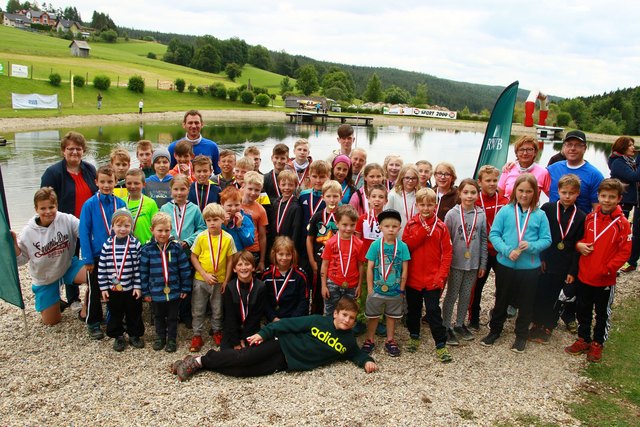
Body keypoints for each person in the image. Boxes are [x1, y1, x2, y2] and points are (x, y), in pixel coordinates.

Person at [170, 296, 376, 381]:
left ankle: (198, 364)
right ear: (335, 313)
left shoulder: (348, 340)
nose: (347, 320)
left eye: (351, 318)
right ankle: (199, 361)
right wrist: (263, 333)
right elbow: (287, 324)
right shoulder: (318, 321)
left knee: (244, 372)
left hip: (288, 362)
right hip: (281, 345)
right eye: (344, 315)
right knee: (243, 358)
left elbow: (356, 353)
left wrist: (367, 361)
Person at [481, 173, 551, 353]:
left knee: (526, 303)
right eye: (521, 190)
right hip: (506, 265)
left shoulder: (540, 215)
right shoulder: (505, 211)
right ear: (515, 191)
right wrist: (506, 250)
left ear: (535, 193)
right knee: (501, 299)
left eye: (529, 191)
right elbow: (494, 234)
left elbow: (546, 239)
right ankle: (495, 330)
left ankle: (521, 335)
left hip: (529, 268)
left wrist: (533, 246)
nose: (524, 195)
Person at [565, 179, 631, 363]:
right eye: (603, 196)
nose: (607, 200)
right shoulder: (590, 218)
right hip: (585, 275)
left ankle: (597, 343)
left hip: (604, 279)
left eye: (611, 197)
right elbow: (582, 240)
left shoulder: (623, 224)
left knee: (602, 313)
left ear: (618, 199)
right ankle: (583, 338)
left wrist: (608, 269)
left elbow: (625, 251)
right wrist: (578, 246)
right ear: (598, 196)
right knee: (582, 309)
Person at [12, 187, 87, 325]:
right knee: (52, 322)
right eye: (43, 208)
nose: (48, 212)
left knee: (95, 275)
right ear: (36, 209)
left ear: (56, 205)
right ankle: (55, 301)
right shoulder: (28, 232)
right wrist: (14, 245)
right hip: (46, 278)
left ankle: (88, 309)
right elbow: (21, 261)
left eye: (51, 207)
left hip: (68, 266)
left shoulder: (67, 220)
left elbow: (86, 234)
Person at [40, 131, 97, 312]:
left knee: (88, 256)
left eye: (78, 149)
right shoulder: (53, 173)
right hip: (64, 226)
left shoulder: (89, 169)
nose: (74, 152)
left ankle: (93, 292)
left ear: (83, 151)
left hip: (88, 224)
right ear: (63, 150)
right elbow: (45, 200)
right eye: (70, 149)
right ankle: (73, 298)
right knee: (69, 257)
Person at [530, 174, 586, 344]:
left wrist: (572, 271)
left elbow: (578, 246)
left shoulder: (581, 216)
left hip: (565, 263)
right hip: (547, 258)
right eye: (564, 192)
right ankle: (536, 322)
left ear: (577, 194)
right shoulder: (548, 208)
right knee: (540, 291)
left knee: (556, 295)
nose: (567, 196)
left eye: (571, 193)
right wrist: (541, 257)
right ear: (558, 191)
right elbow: (539, 234)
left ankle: (548, 325)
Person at [402, 188, 453, 362]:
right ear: (416, 205)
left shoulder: (441, 227)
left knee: (433, 311)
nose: (426, 208)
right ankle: (414, 335)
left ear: (435, 205)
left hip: (432, 279)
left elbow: (447, 254)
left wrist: (441, 276)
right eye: (422, 204)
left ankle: (440, 344)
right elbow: (406, 247)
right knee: (413, 310)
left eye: (429, 204)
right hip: (413, 278)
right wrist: (422, 232)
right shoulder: (411, 224)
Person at [79, 165, 127, 340]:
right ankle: (93, 322)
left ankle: (114, 318)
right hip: (98, 254)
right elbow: (83, 231)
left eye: (110, 181)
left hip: (117, 253)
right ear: (96, 182)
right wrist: (88, 258)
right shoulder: (89, 204)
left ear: (115, 182)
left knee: (116, 287)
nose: (106, 185)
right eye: (103, 182)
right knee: (95, 288)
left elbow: (126, 229)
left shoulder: (121, 204)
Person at [442, 179, 487, 346]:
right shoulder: (452, 214)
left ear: (478, 194)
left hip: (473, 263)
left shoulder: (480, 214)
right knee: (452, 294)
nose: (469, 196)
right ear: (459, 193)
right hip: (456, 262)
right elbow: (445, 241)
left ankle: (459, 324)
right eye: (466, 192)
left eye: (473, 192)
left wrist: (483, 263)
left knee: (466, 294)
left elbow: (483, 239)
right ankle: (446, 325)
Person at [140, 212, 192, 353]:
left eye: (167, 230)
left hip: (174, 291)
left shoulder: (176, 248)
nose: (163, 234)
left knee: (173, 317)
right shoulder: (147, 250)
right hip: (156, 293)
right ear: (152, 230)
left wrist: (185, 288)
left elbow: (184, 269)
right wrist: (145, 292)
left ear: (171, 230)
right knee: (158, 316)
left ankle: (172, 339)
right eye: (160, 230)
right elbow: (143, 273)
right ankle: (160, 337)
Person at [361, 209, 410, 357]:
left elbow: (405, 269)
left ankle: (390, 340)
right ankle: (370, 339)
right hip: (376, 289)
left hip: (395, 291)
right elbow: (369, 267)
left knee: (391, 316)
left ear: (399, 228)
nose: (391, 229)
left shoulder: (402, 247)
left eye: (394, 226)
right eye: (387, 226)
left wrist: (401, 289)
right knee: (373, 316)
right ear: (380, 227)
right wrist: (370, 289)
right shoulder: (375, 245)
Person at [190, 203, 237, 351]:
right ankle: (197, 335)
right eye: (208, 220)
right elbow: (193, 257)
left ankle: (217, 331)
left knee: (217, 309)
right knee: (198, 308)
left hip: (219, 280)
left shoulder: (228, 238)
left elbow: (230, 260)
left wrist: (227, 280)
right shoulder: (201, 237)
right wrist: (204, 274)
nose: (212, 223)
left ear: (223, 219)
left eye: (215, 219)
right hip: (201, 279)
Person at [97, 209, 144, 352]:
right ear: (112, 227)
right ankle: (118, 336)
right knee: (115, 313)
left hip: (130, 288)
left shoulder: (135, 244)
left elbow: (138, 268)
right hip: (113, 289)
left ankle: (134, 334)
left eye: (127, 226)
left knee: (134, 312)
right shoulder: (107, 245)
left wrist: (137, 286)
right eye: (119, 225)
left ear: (131, 227)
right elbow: (102, 268)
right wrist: (103, 288)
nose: (123, 229)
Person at [468, 165, 509, 330]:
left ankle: (498, 317)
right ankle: (474, 317)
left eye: (495, 180)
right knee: (476, 287)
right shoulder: (474, 201)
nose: (492, 184)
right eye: (488, 180)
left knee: (503, 287)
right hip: (481, 251)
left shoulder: (505, 201)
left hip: (500, 250)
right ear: (479, 182)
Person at [320, 205, 365, 316]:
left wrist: (359, 285)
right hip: (333, 283)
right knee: (330, 311)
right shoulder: (330, 243)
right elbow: (325, 265)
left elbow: (360, 265)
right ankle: (329, 331)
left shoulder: (359, 244)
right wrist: (324, 286)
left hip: (352, 285)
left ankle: (344, 332)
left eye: (352, 225)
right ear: (337, 224)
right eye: (344, 225)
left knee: (349, 311)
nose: (348, 228)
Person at [547, 130, 604, 213]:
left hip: (578, 223)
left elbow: (597, 208)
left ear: (584, 148)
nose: (572, 148)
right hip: (552, 222)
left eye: (577, 145)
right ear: (564, 147)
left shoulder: (595, 175)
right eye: (569, 144)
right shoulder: (552, 169)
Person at [306, 180, 341, 314]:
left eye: (335, 196)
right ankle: (316, 318)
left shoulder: (343, 215)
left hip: (337, 263)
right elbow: (309, 240)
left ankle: (336, 320)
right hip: (319, 261)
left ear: (341, 197)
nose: (332, 199)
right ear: (323, 197)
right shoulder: (317, 216)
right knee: (318, 291)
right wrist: (312, 261)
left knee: (336, 292)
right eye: (329, 196)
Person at [607, 136, 640, 273]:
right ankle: (614, 262)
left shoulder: (627, 161)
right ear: (622, 147)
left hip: (628, 202)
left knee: (628, 231)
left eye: (633, 145)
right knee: (620, 232)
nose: (633, 147)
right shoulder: (617, 162)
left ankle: (624, 261)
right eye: (630, 145)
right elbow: (635, 177)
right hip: (622, 203)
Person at [221, 251, 266, 350]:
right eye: (239, 264)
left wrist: (244, 338)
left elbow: (256, 316)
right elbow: (229, 317)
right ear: (234, 269)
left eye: (247, 264)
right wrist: (236, 342)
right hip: (233, 330)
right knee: (227, 356)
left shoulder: (261, 287)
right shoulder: (230, 287)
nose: (244, 268)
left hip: (252, 330)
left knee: (254, 356)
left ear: (253, 267)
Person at [262, 237, 309, 321]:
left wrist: (290, 322)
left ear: (293, 255)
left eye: (288, 254)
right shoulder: (267, 275)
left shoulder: (300, 276)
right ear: (274, 254)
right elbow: (264, 301)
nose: (284, 258)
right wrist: (273, 318)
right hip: (272, 321)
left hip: (293, 321)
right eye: (280, 254)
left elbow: (303, 302)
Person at [267, 170, 304, 258]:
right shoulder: (276, 202)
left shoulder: (296, 206)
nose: (286, 188)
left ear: (295, 186)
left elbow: (296, 230)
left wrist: (293, 249)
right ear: (279, 185)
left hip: (288, 247)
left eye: (290, 185)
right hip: (274, 243)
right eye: (283, 185)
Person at [124, 168, 158, 245]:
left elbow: (156, 226)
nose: (132, 186)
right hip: (128, 247)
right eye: (129, 183)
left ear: (144, 184)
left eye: (136, 183)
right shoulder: (121, 202)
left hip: (147, 246)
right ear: (125, 184)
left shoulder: (151, 203)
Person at [384, 164, 419, 235]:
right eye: (407, 178)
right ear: (401, 178)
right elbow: (386, 216)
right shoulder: (393, 195)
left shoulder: (420, 195)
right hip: (398, 235)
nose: (410, 181)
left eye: (413, 178)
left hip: (416, 235)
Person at [219, 186, 255, 251]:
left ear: (241, 204)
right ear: (222, 204)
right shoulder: (217, 218)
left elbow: (249, 242)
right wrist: (223, 225)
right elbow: (213, 239)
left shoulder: (245, 219)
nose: (233, 209)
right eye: (229, 205)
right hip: (221, 256)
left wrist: (239, 227)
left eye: (237, 205)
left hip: (238, 256)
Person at [299, 160, 330, 226]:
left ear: (328, 177)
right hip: (304, 234)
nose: (318, 180)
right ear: (309, 176)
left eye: (322, 177)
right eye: (314, 176)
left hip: (323, 235)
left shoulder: (332, 198)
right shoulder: (303, 195)